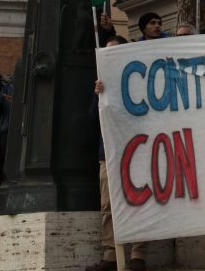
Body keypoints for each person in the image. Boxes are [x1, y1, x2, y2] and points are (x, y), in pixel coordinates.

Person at [85, 35, 148, 271]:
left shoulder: (139, 80)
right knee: (108, 206)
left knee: (140, 202)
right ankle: (111, 255)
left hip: (137, 151)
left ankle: (138, 254)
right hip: (108, 153)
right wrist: (97, 96)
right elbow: (93, 120)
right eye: (107, 51)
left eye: (114, 51)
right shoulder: (101, 84)